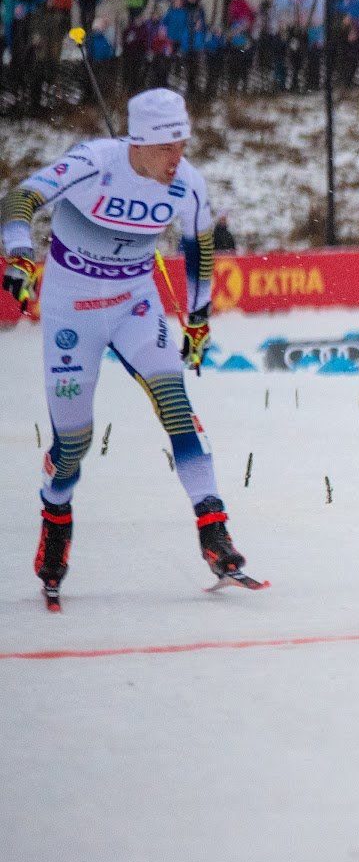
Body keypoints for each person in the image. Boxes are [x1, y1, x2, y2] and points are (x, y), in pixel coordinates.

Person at [4, 89, 255, 606]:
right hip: (71, 311)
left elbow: (200, 249)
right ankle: (56, 511)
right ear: (139, 143)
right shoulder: (93, 162)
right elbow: (19, 199)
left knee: (175, 404)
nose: (177, 160)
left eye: (183, 146)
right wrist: (18, 254)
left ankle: (214, 528)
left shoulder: (187, 184)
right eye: (168, 149)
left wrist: (199, 319)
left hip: (135, 306)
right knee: (73, 445)